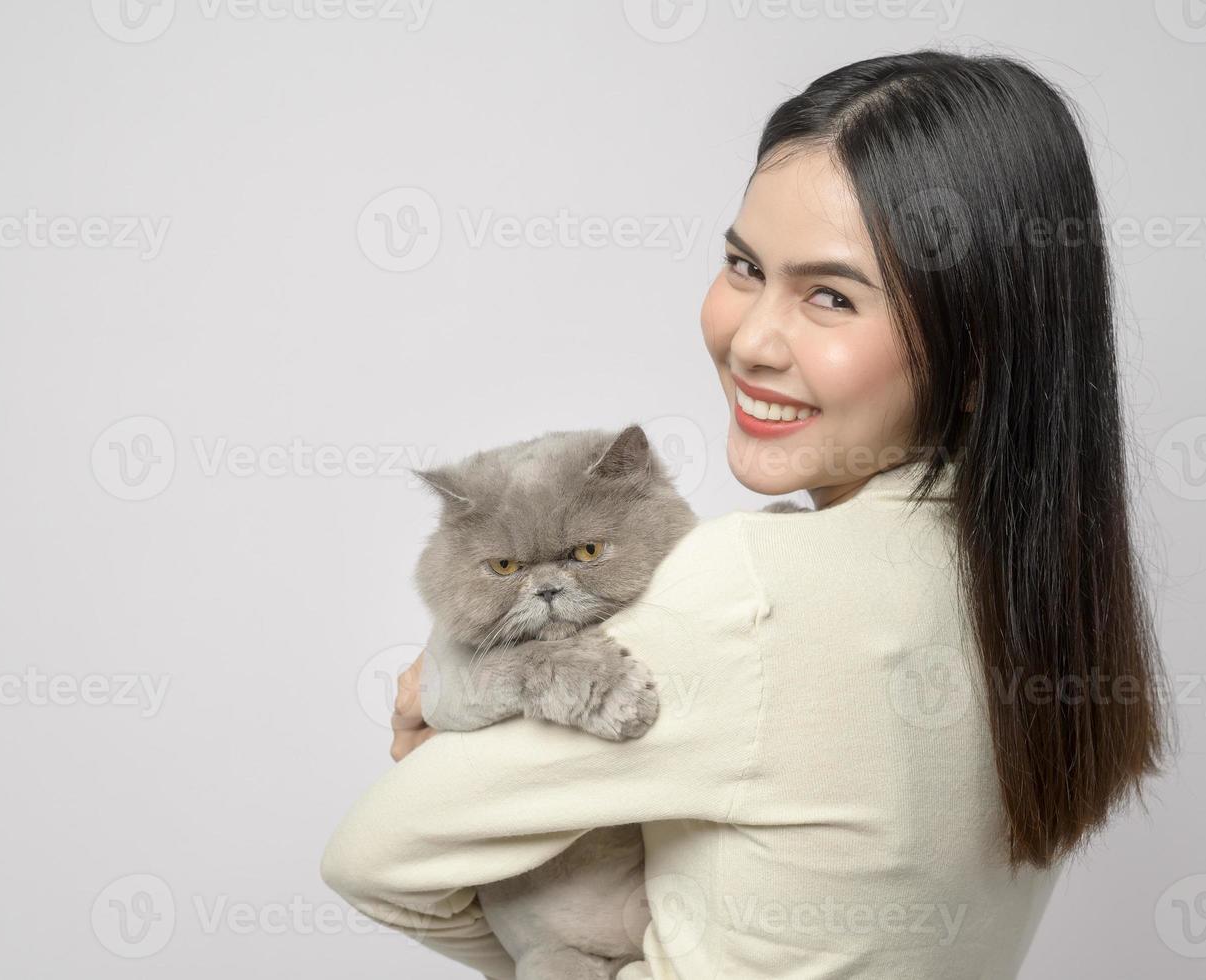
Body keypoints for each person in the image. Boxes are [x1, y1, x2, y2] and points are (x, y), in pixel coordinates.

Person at [320, 49, 1167, 979]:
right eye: (742, 266)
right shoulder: (1034, 582)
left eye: (831, 296)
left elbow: (372, 860)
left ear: (974, 360)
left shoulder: (748, 594)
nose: (750, 340)